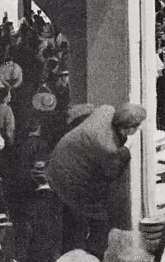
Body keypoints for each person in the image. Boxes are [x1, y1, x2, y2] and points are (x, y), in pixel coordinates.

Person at [46, 103, 147, 259]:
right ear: (128, 128)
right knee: (97, 217)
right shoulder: (109, 148)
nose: (138, 129)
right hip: (69, 180)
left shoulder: (107, 110)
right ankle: (90, 253)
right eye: (137, 126)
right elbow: (111, 177)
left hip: (58, 162)